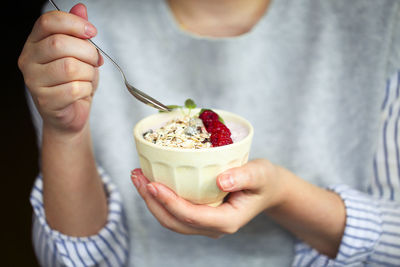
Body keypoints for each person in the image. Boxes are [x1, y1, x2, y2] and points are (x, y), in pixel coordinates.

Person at [18, 0, 400, 266]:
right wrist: (64, 132)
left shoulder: (377, 22)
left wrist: (285, 196)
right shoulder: (81, 32)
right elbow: (73, 261)